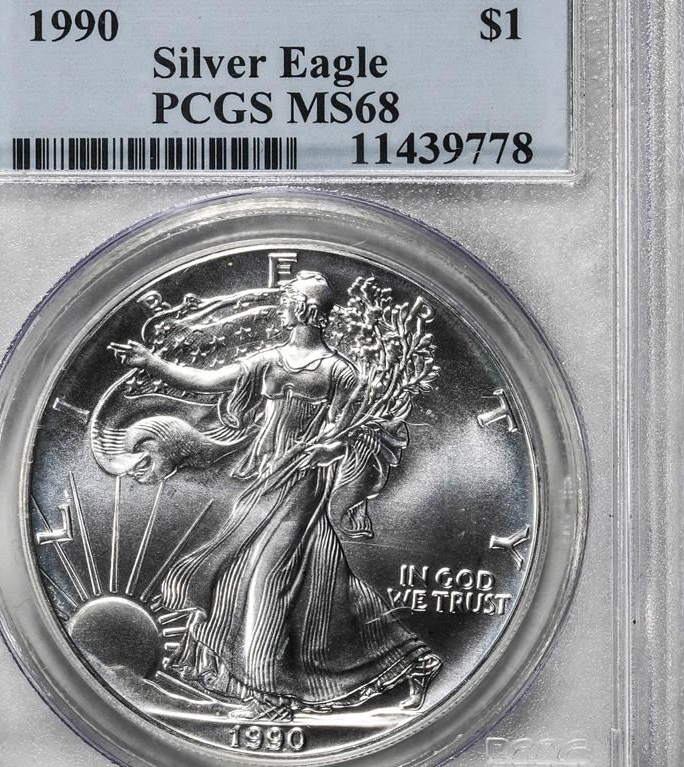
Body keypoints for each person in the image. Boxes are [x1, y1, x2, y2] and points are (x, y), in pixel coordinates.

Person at [111, 271, 440, 720]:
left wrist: (328, 449)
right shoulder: (270, 360)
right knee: (311, 581)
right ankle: (411, 660)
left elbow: (358, 433)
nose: (282, 307)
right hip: (268, 478)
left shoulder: (339, 372)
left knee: (267, 580)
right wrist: (154, 364)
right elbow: (210, 381)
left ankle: (270, 697)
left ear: (305, 309)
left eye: (288, 301)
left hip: (303, 482)